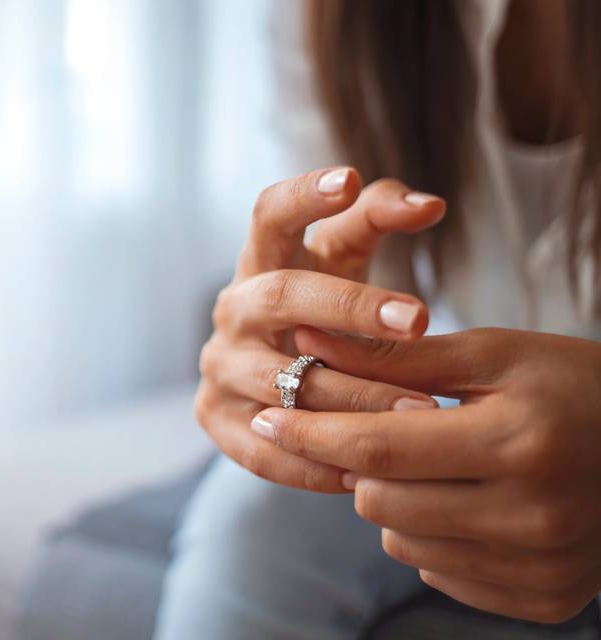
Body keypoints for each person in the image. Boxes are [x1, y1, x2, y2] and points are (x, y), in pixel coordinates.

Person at [153, 0, 601, 638]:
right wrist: (291, 341)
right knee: (254, 522)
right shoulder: (332, 19)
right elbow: (363, 260)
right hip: (472, 407)